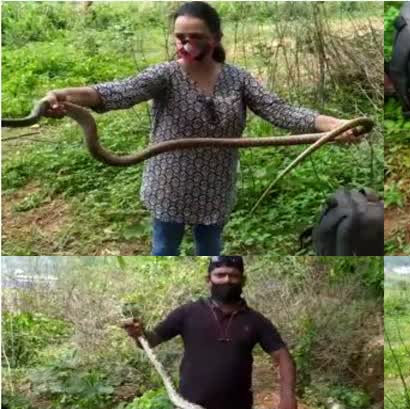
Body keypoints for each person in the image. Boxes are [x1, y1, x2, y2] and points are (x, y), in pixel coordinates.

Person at [42, 1, 361, 256]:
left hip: (216, 188)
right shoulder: (165, 76)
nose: (186, 44)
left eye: (196, 37)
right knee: (165, 248)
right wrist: (64, 95)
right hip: (169, 187)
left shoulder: (238, 79)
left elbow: (280, 111)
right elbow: (113, 92)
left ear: (215, 39)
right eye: (180, 37)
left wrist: (333, 126)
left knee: (210, 250)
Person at [121, 256, 298, 409]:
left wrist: (287, 398)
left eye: (233, 276)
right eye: (221, 275)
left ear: (243, 280)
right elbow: (151, 340)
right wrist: (138, 334)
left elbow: (283, 358)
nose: (227, 280)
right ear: (209, 280)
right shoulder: (188, 312)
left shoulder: (256, 321)